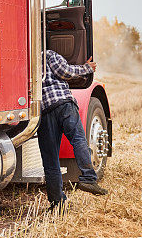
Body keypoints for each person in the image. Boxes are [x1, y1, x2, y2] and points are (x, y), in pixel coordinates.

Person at [39, 49, 108, 211]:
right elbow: (65, 72)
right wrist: (87, 68)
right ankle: (88, 179)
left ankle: (57, 203)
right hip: (63, 104)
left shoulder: (26, 60)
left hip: (43, 111)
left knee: (50, 162)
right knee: (78, 140)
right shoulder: (48, 54)